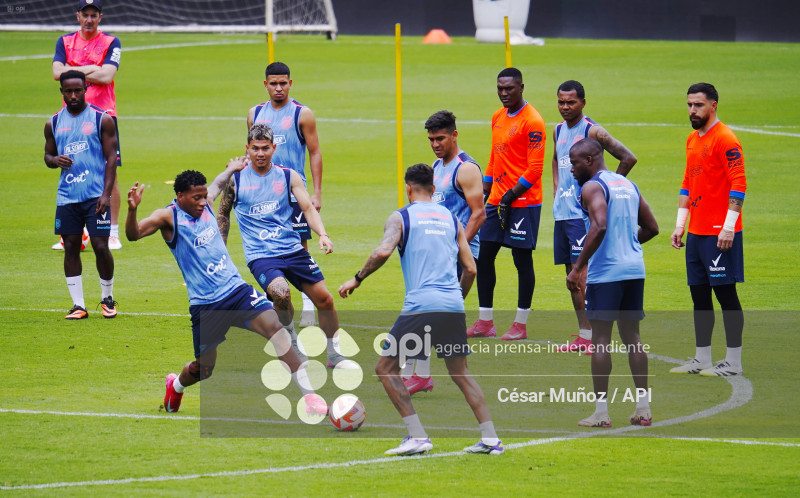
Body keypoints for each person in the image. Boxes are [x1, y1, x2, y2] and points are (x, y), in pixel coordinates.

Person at [125, 170, 327, 416]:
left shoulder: (206, 202)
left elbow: (218, 183)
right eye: (196, 198)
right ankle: (175, 385)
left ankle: (310, 397)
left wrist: (231, 168)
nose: (203, 202)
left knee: (277, 330)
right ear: (179, 196)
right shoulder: (167, 217)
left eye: (204, 196)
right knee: (204, 369)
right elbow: (133, 235)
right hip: (206, 305)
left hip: (237, 291)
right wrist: (133, 210)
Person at [338, 164, 503, 456]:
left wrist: (357, 279)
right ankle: (491, 439)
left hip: (421, 306)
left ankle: (416, 436)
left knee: (385, 368)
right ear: (434, 189)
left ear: (408, 188)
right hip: (452, 304)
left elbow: (382, 251)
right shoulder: (452, 219)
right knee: (460, 372)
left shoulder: (401, 216)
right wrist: (455, 300)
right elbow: (471, 268)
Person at [216, 124, 348, 368]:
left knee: (326, 300)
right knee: (281, 293)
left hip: (292, 249)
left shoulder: (288, 176)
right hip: (261, 255)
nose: (260, 153)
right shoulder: (236, 180)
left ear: (274, 148)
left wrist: (322, 234)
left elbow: (307, 208)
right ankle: (291, 336)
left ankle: (334, 354)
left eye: (265, 148)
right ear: (247, 148)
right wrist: (221, 249)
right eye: (255, 148)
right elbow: (222, 214)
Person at [566, 139, 659, 428]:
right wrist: (628, 245)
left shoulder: (592, 187)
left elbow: (600, 224)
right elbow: (652, 228)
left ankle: (601, 413)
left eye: (575, 162)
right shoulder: (627, 185)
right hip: (634, 270)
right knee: (633, 338)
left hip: (607, 274)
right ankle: (643, 409)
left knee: (600, 340)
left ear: (591, 160)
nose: (571, 168)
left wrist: (578, 267)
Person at [400, 110, 486, 395]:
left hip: (458, 253)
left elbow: (478, 214)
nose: (436, 144)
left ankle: (421, 374)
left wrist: (455, 250)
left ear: (454, 135)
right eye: (431, 139)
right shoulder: (436, 167)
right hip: (439, 252)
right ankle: (418, 374)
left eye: (440, 138)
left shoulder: (467, 169)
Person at [551, 80, 638, 353]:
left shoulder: (592, 130)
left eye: (571, 102)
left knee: (584, 274)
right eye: (561, 102)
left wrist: (605, 188)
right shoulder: (557, 130)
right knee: (571, 276)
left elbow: (628, 157)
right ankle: (584, 335)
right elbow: (556, 160)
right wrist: (557, 191)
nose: (565, 107)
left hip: (581, 216)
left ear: (583, 103)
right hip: (562, 213)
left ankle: (598, 336)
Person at [670, 83, 747, 377]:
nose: (692, 110)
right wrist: (680, 225)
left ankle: (733, 362)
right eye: (689, 104)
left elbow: (739, 184)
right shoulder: (692, 139)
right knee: (699, 296)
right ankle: (702, 358)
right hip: (697, 232)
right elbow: (688, 182)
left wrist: (728, 228)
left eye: (698, 105)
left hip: (720, 234)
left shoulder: (726, 140)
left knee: (725, 295)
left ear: (713, 105)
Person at [467, 67, 546, 341]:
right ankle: (485, 321)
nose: (503, 93)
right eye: (500, 88)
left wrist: (511, 196)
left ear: (522, 88)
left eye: (509, 89)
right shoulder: (498, 117)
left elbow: (535, 169)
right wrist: (485, 192)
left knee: (521, 259)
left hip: (523, 202)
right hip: (497, 200)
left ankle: (520, 324)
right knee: (485, 256)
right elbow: (493, 158)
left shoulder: (533, 121)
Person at [247, 61, 323, 326]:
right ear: (265, 84)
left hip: (293, 191)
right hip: (263, 194)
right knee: (267, 242)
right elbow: (252, 151)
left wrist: (317, 192)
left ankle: (308, 303)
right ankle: (278, 291)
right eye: (273, 83)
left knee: (299, 247)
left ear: (290, 83)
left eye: (283, 83)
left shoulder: (302, 114)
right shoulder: (255, 113)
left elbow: (314, 151)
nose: (278, 88)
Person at [44, 70, 118, 320]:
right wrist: (55, 159)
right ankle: (78, 305)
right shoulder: (53, 123)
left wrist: (106, 194)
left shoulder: (102, 119)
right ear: (61, 92)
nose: (73, 95)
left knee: (100, 246)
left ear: (86, 89)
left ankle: (107, 298)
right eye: (68, 91)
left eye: (78, 90)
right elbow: (47, 156)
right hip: (67, 197)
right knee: (71, 247)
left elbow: (111, 158)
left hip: (95, 195)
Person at [52, 0, 123, 250]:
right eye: (86, 15)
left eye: (94, 15)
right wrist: (92, 68)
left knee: (108, 171)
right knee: (72, 168)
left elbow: (107, 75)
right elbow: (56, 73)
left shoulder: (111, 42)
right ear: (78, 16)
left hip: (102, 114)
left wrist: (73, 71)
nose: (89, 19)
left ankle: (112, 231)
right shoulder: (64, 41)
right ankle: (73, 231)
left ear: (100, 17)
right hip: (70, 116)